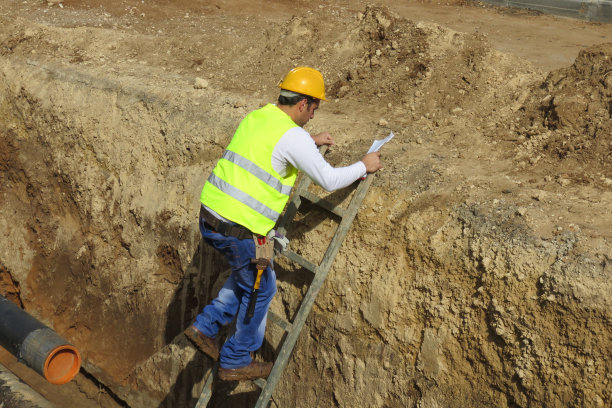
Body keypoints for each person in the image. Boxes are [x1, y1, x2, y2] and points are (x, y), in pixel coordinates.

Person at [184, 66, 382, 381]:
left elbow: (270, 148)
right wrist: (363, 165)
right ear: (302, 103)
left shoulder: (259, 117)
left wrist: (308, 142)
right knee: (263, 287)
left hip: (211, 217)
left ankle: (204, 326)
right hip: (237, 228)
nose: (314, 116)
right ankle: (235, 359)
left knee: (248, 277)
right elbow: (329, 179)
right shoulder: (293, 137)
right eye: (314, 108)